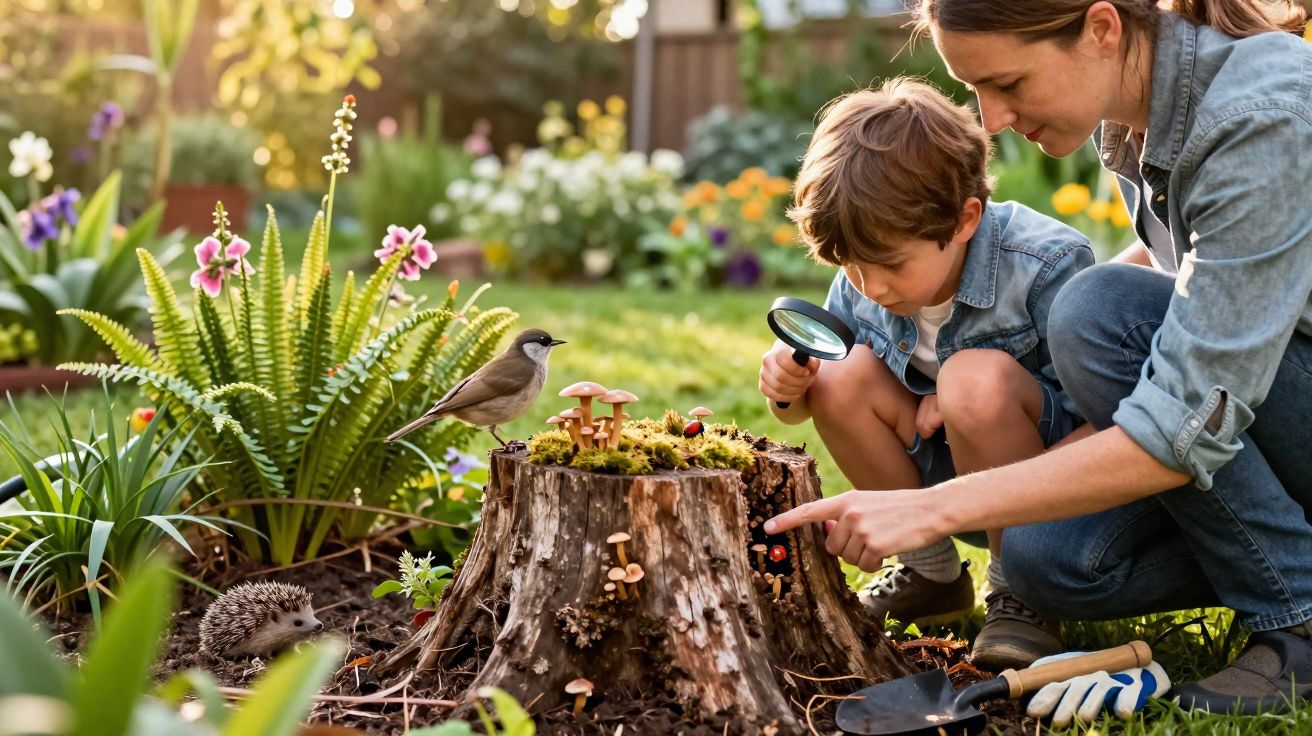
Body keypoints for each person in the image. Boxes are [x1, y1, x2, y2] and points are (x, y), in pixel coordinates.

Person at [765, 0, 1312, 714]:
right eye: (976, 90)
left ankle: (1297, 616)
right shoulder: (1140, 115)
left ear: (1102, 29)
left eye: (1008, 84)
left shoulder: (1256, 118)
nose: (989, 120)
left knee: (1095, 309)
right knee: (1044, 561)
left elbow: (1182, 419)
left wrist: (929, 509)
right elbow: (1212, 268)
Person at [758, 77, 1094, 670]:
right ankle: (931, 573)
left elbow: (1096, 409)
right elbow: (810, 402)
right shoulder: (865, 282)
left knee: (972, 381)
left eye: (888, 265)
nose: (870, 288)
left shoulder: (1045, 265)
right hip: (937, 465)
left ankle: (1020, 592)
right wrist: (788, 391)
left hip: (1040, 488)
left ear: (964, 220)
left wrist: (961, 392)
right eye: (851, 267)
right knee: (837, 376)